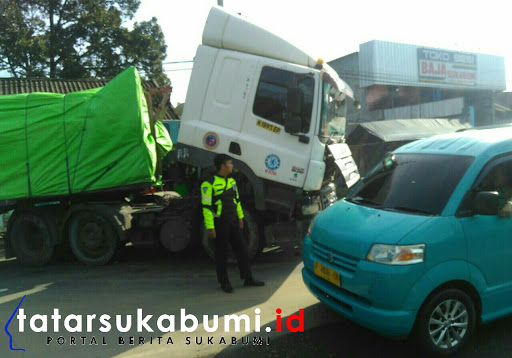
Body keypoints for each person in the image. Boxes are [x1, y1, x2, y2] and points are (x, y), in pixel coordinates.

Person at [201, 154, 265, 293]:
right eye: (230, 163)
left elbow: (236, 201)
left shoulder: (232, 182)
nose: (232, 166)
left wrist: (241, 218)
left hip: (233, 222)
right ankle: (224, 282)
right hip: (219, 223)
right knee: (221, 254)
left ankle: (248, 278)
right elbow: (206, 207)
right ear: (223, 166)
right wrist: (210, 227)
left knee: (242, 250)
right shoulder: (208, 184)